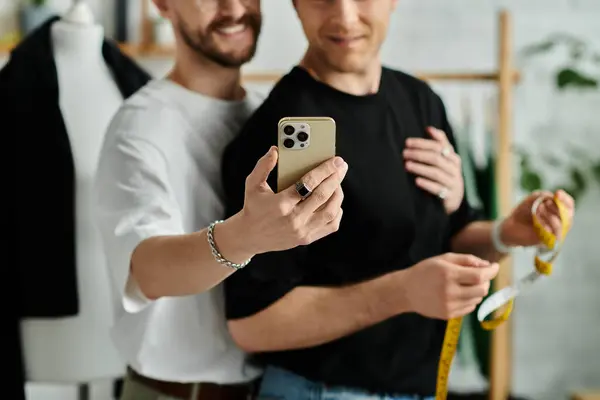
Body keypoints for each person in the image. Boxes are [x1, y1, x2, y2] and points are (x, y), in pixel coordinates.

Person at [220, 1, 576, 399]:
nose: (345, 16)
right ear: (296, 5)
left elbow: (448, 239)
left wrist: (506, 233)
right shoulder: (280, 133)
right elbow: (251, 325)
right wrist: (403, 292)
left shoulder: (420, 101)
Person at [93, 0, 346, 399]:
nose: (233, 8)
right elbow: (148, 271)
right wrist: (246, 236)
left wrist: (446, 194)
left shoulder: (271, 117)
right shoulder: (140, 127)